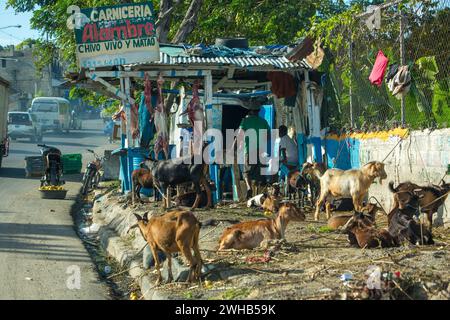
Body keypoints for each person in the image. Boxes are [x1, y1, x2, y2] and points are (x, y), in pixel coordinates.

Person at [234, 108, 270, 199]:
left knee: (246, 172)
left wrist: (233, 147)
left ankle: (249, 187)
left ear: (250, 111)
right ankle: (257, 195)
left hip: (250, 150)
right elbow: (268, 136)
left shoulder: (245, 121)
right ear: (258, 112)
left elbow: (239, 135)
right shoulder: (264, 121)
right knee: (259, 174)